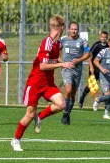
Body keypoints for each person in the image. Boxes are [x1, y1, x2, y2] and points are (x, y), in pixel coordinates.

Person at [11, 15, 74, 152]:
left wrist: (61, 61)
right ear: (62, 28)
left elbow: (56, 56)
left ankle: (40, 116)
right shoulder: (47, 42)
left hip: (48, 83)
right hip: (35, 82)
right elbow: (42, 66)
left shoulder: (58, 43)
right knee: (29, 114)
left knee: (61, 104)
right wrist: (62, 64)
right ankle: (16, 139)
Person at [59, 22, 90, 125]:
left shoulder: (82, 41)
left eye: (76, 29)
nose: (74, 31)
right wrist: (62, 63)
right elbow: (56, 51)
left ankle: (67, 114)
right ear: (69, 29)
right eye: (72, 29)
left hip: (77, 70)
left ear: (78, 30)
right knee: (68, 90)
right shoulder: (63, 40)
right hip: (67, 69)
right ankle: (65, 113)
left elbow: (88, 54)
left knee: (73, 94)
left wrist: (78, 60)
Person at [78, 30, 109, 109]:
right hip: (94, 68)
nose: (103, 38)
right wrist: (91, 66)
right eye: (102, 37)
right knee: (91, 85)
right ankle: (82, 98)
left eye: (105, 37)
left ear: (107, 38)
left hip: (102, 68)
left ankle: (105, 104)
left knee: (105, 85)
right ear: (100, 37)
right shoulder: (97, 45)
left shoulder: (108, 46)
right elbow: (88, 55)